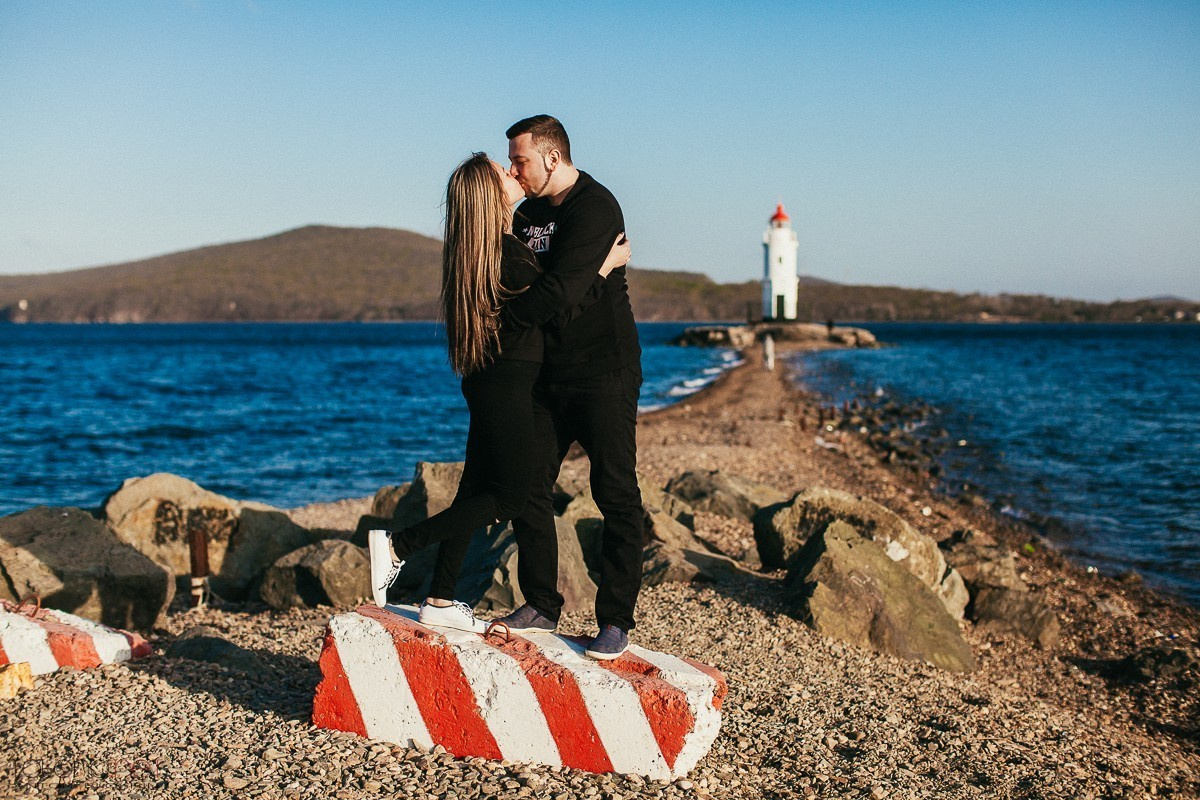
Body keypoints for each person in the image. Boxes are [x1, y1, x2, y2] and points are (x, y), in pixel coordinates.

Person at [364, 152, 630, 633]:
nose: (512, 172)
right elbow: (551, 307)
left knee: (472, 489)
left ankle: (440, 598)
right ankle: (399, 545)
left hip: (491, 378)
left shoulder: (484, 249)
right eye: (502, 170)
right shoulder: (506, 255)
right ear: (488, 195)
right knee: (509, 499)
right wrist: (602, 269)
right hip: (507, 383)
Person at [490, 115, 644, 660]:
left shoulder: (596, 208)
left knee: (614, 492)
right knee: (526, 483)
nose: (514, 171)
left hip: (604, 369)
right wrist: (580, 278)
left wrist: (535, 304)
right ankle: (540, 602)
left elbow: (553, 297)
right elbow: (517, 288)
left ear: (552, 157)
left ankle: (616, 621)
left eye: (521, 161)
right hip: (546, 372)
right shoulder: (526, 214)